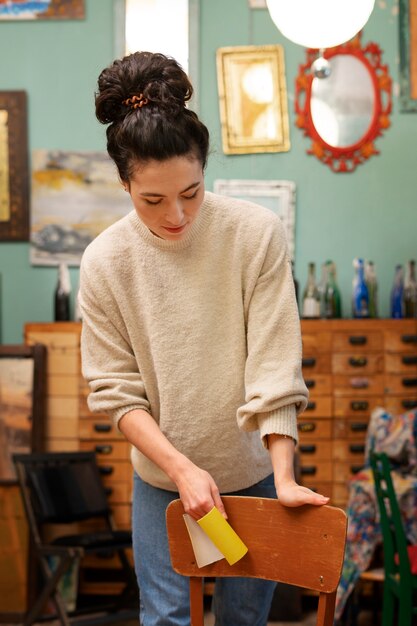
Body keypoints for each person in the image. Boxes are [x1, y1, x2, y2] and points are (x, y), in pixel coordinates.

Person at [79, 51, 329, 626]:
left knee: (243, 621)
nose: (177, 216)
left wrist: (285, 477)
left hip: (253, 475)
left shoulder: (254, 235)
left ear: (204, 167)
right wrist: (182, 470)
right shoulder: (105, 262)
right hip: (161, 481)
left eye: (190, 193)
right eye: (152, 200)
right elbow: (117, 392)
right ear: (124, 183)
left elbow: (274, 364)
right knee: (163, 619)